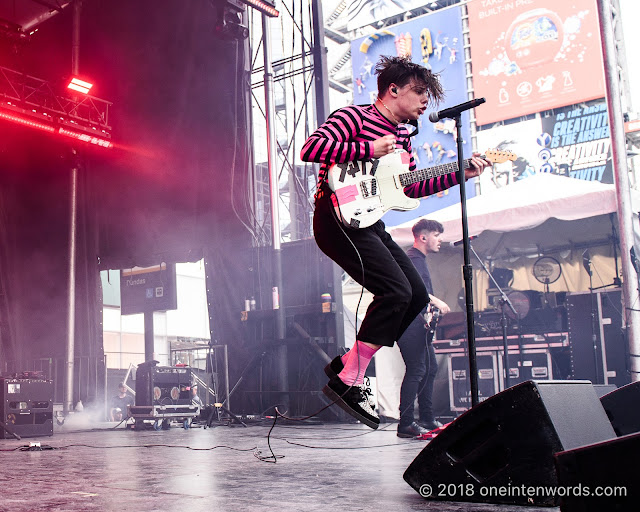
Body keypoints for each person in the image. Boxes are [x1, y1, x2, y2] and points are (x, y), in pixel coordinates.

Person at [300, 55, 490, 429]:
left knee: (416, 295)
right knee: (396, 293)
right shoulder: (352, 117)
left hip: (371, 221)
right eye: (419, 92)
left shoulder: (405, 136)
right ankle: (350, 377)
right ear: (393, 90)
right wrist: (365, 150)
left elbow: (411, 186)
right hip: (336, 217)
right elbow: (311, 149)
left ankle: (348, 364)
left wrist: (460, 173)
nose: (424, 102)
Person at [397, 219, 450, 438]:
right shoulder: (412, 259)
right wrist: (437, 301)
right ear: (423, 237)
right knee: (417, 369)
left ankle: (427, 418)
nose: (440, 240)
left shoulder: (419, 259)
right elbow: (412, 288)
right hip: (408, 325)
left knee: (430, 368)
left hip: (417, 324)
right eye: (437, 235)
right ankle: (406, 423)